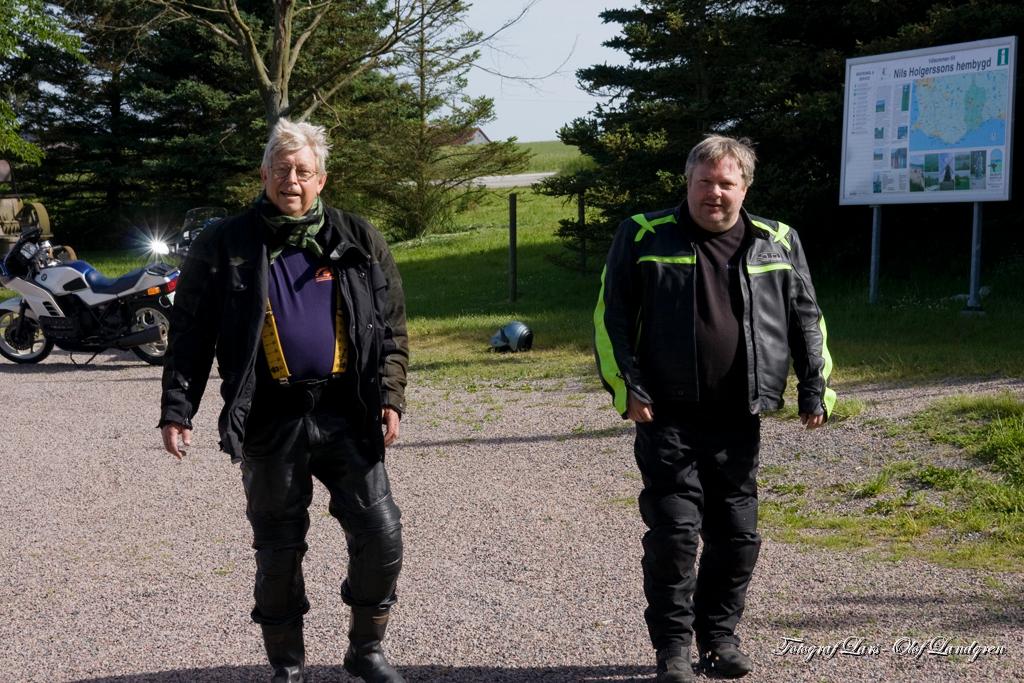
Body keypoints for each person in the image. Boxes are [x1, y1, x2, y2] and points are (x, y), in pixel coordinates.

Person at [159, 118, 409, 683]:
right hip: (271, 420)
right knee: (278, 548)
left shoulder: (358, 237)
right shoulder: (225, 242)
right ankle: (287, 666)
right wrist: (179, 408)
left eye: (303, 170)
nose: (291, 180)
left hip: (348, 414)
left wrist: (390, 395)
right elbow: (191, 333)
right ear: (264, 173)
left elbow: (391, 328)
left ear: (321, 179)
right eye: (281, 169)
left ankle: (366, 651)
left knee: (381, 533)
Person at [594, 135, 835, 682]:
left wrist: (813, 388)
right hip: (666, 415)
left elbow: (807, 317)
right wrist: (627, 386)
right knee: (675, 533)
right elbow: (612, 315)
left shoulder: (778, 240)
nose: (715, 193)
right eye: (705, 182)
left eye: (727, 183)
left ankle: (720, 638)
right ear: (688, 182)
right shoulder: (643, 233)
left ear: (744, 187)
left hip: (738, 415)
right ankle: (673, 648)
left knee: (737, 535)